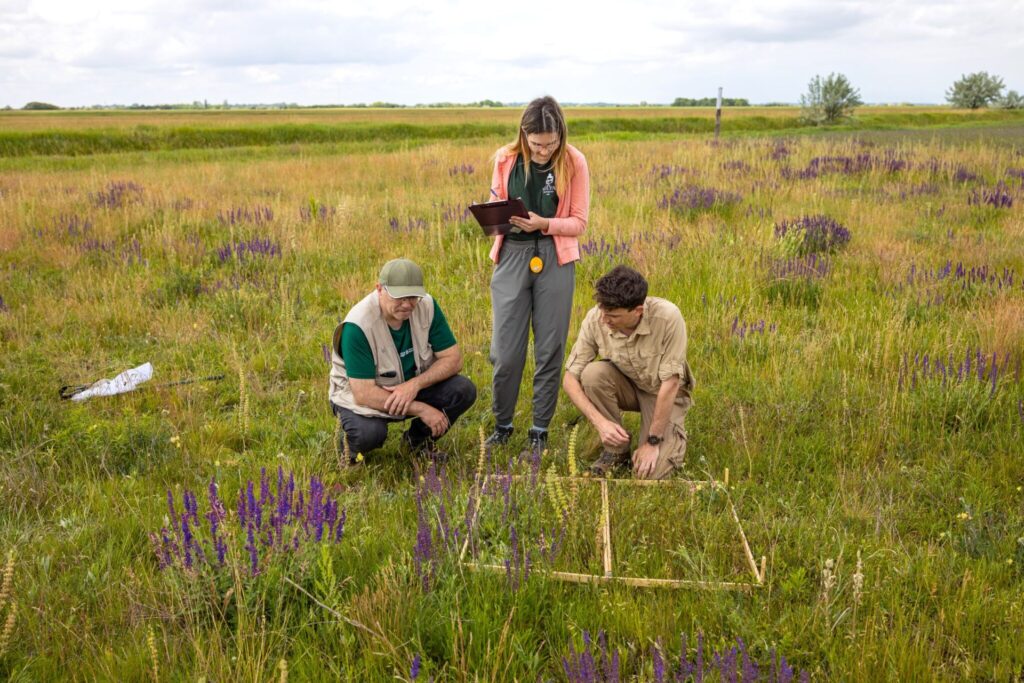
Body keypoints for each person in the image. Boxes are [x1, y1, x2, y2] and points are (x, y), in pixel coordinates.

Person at [485, 95, 590, 450]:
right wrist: (495, 214)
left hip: (555, 256)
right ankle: (502, 425)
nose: (544, 151)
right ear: (524, 135)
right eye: (536, 144)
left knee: (549, 348)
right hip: (512, 256)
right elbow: (495, 203)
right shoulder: (505, 159)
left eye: (551, 143)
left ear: (561, 135)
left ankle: (539, 430)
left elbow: (579, 222)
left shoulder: (574, 161)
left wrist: (544, 223)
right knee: (505, 352)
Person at [328, 258, 477, 462]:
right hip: (363, 397)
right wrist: (422, 409)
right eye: (399, 297)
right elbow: (363, 394)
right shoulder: (358, 326)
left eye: (413, 297)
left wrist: (414, 385)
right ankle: (348, 451)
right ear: (379, 289)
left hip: (409, 386)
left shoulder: (427, 306)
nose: (407, 304)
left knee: (463, 390)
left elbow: (453, 359)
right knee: (369, 434)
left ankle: (416, 443)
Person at [562, 266, 695, 479]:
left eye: (613, 316)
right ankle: (616, 451)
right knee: (592, 374)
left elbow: (670, 384)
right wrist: (600, 423)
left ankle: (662, 440)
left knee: (649, 476)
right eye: (603, 311)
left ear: (638, 311)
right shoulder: (596, 317)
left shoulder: (668, 317)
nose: (604, 320)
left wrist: (653, 442)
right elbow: (569, 379)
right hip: (629, 386)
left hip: (663, 393)